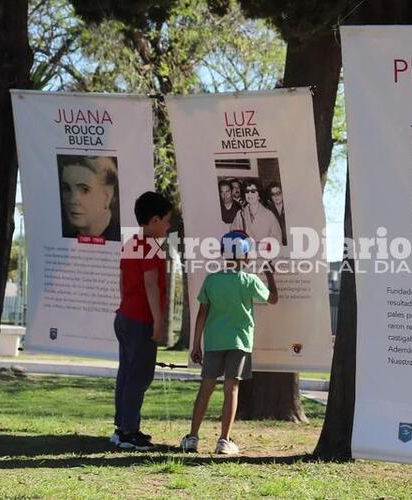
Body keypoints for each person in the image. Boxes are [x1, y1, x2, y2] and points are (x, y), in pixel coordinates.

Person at [180, 231, 278, 454]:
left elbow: (202, 314)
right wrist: (270, 275)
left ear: (223, 253)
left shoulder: (212, 280)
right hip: (240, 342)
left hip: (214, 342)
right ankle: (224, 441)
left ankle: (193, 437)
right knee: (231, 389)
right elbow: (272, 299)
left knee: (206, 388)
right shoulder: (249, 280)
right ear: (245, 256)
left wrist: (196, 345)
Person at [110, 191, 172, 451]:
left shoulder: (131, 244)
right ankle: (128, 432)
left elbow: (123, 282)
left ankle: (123, 426)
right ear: (155, 220)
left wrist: (125, 305)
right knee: (140, 376)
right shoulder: (152, 248)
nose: (169, 226)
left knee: (126, 374)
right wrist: (158, 322)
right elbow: (151, 285)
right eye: (167, 220)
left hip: (124, 316)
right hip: (141, 321)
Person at [59, 155, 121, 241]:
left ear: (107, 197)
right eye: (67, 189)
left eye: (84, 190)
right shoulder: (66, 240)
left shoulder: (125, 238)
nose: (72, 200)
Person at [230, 180, 282, 250]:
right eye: (247, 191)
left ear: (259, 195)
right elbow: (233, 235)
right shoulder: (240, 214)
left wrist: (261, 245)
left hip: (265, 256)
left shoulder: (269, 215)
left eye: (253, 191)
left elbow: (277, 239)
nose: (249, 194)